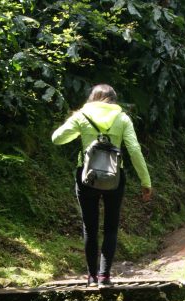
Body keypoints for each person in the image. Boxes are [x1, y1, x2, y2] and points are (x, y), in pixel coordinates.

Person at [51, 84, 152, 287]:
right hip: (115, 178)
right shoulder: (122, 118)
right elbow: (134, 150)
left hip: (86, 177)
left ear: (92, 98)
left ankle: (91, 277)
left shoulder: (82, 116)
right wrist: (145, 181)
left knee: (90, 227)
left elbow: (57, 139)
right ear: (113, 100)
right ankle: (104, 277)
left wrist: (79, 131)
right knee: (111, 227)